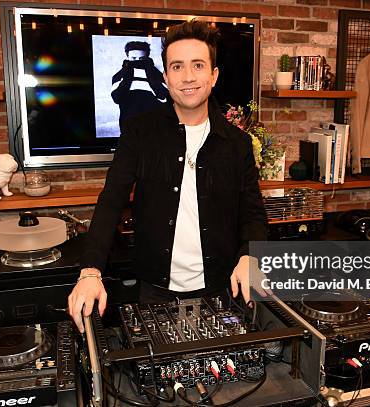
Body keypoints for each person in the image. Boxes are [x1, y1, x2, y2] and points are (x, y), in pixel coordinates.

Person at [69, 20, 267, 333]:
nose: (188, 77)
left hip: (222, 290)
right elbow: (110, 202)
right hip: (154, 292)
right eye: (177, 66)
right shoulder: (139, 133)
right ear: (165, 77)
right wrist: (90, 271)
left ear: (213, 76)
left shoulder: (237, 143)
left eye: (198, 65)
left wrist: (250, 257)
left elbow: (253, 212)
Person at [111, 41, 169, 130]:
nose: (137, 62)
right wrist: (127, 76)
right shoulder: (119, 75)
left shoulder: (157, 75)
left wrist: (150, 73)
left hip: (154, 126)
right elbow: (117, 98)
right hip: (129, 126)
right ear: (127, 57)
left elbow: (164, 97)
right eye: (133, 58)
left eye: (142, 59)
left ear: (147, 57)